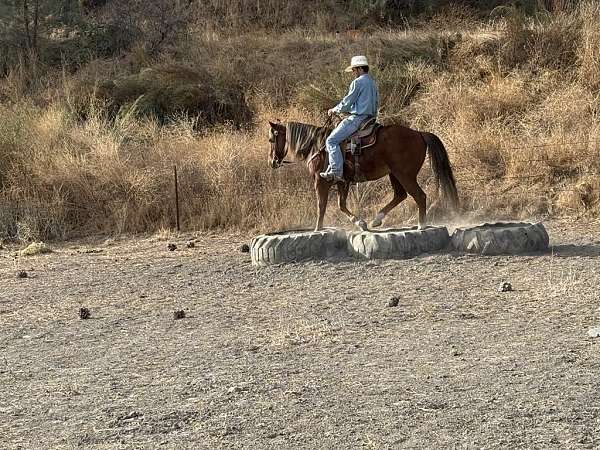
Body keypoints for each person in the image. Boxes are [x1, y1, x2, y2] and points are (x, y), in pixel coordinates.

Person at [320, 55, 379, 182]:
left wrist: (334, 110)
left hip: (357, 119)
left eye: (353, 70)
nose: (353, 73)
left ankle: (336, 172)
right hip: (370, 118)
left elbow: (347, 101)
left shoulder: (358, 82)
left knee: (331, 141)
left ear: (358, 69)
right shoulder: (372, 83)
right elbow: (376, 102)